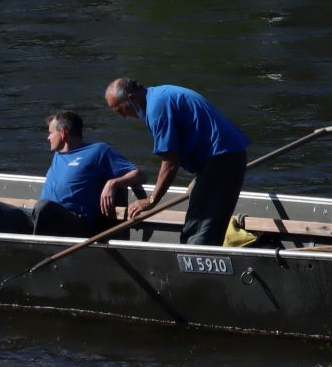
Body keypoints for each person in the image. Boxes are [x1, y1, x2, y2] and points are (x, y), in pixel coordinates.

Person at [104, 77, 249, 246]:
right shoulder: (159, 95)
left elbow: (171, 163)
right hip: (222, 158)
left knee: (199, 231)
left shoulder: (157, 108)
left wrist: (151, 201)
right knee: (200, 224)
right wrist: (200, 177)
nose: (123, 116)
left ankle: (196, 266)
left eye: (120, 110)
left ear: (131, 98)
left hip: (222, 160)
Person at [31, 110, 142, 237]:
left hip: (74, 222)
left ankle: (35, 250)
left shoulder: (98, 151)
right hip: (41, 219)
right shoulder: (58, 154)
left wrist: (113, 183)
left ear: (63, 133)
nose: (48, 137)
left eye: (51, 133)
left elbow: (139, 175)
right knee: (8, 213)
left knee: (42, 207)